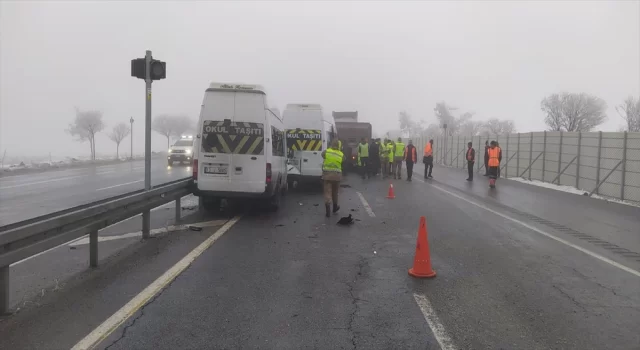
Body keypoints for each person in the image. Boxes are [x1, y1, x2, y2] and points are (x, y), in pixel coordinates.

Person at [321, 139, 343, 217]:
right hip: (337, 176)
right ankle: (335, 207)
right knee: (335, 192)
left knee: (327, 192)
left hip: (327, 176)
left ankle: (328, 211)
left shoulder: (326, 151)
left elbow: (322, 155)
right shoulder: (341, 154)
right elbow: (344, 160)